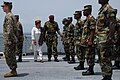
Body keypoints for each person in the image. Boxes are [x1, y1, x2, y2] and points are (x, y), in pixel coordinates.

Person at [96, 0, 114, 79]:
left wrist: (110, 37)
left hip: (105, 38)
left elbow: (112, 23)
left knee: (106, 58)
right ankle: (105, 76)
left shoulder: (109, 9)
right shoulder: (102, 9)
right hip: (100, 38)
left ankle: (108, 77)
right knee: (102, 58)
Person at [1, 2, 18, 77]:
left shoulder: (8, 16)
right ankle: (13, 70)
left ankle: (13, 70)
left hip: (9, 40)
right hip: (12, 39)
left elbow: (9, 30)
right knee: (11, 55)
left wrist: (8, 40)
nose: (2, 8)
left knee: (9, 55)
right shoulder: (12, 15)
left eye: (3, 6)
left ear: (7, 7)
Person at [81, 5, 96, 75]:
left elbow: (93, 30)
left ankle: (91, 70)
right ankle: (89, 68)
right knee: (88, 55)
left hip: (90, 41)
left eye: (85, 11)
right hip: (86, 41)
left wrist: (90, 40)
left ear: (89, 11)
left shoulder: (91, 19)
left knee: (90, 55)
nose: (83, 12)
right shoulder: (86, 19)